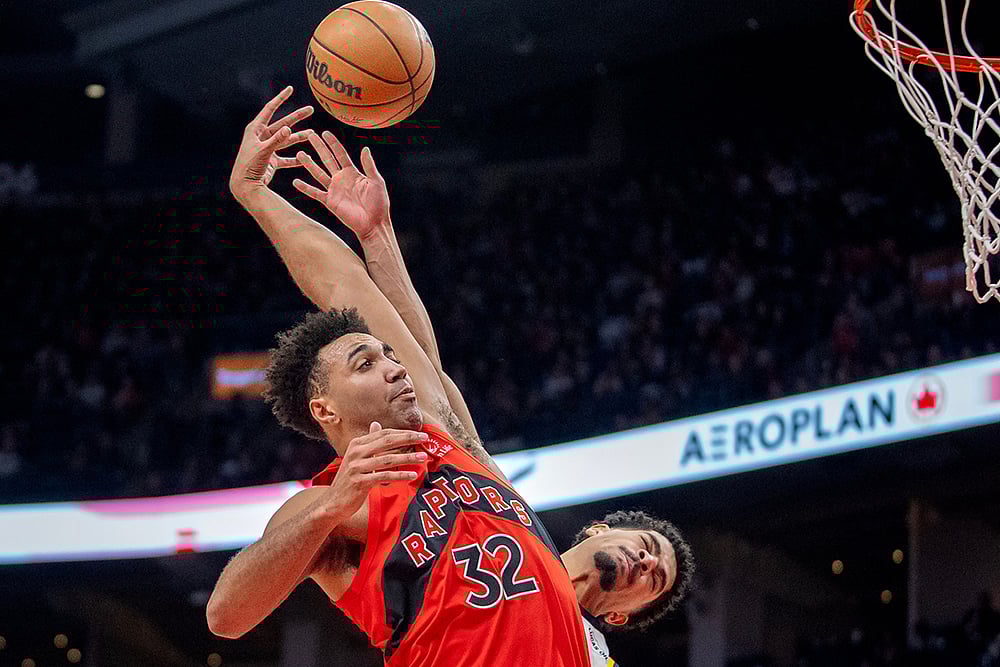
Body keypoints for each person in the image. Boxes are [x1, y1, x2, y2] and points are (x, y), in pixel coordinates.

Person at [207, 86, 693, 665]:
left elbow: (395, 331)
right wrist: (256, 194)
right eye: (368, 362)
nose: (394, 365)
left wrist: (378, 239)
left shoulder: (463, 459)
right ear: (326, 409)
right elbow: (225, 616)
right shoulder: (333, 507)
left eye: (389, 358)